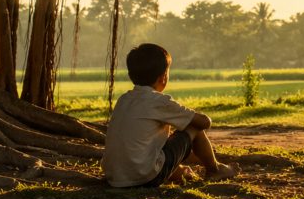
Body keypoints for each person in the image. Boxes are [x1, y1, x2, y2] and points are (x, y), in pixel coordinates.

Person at [102, 43, 237, 187]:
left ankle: (180, 172)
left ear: (131, 75)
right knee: (193, 126)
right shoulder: (159, 101)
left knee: (156, 141)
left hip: (115, 177)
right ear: (163, 77)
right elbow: (204, 122)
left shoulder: (124, 99)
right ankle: (215, 169)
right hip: (144, 178)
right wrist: (188, 115)